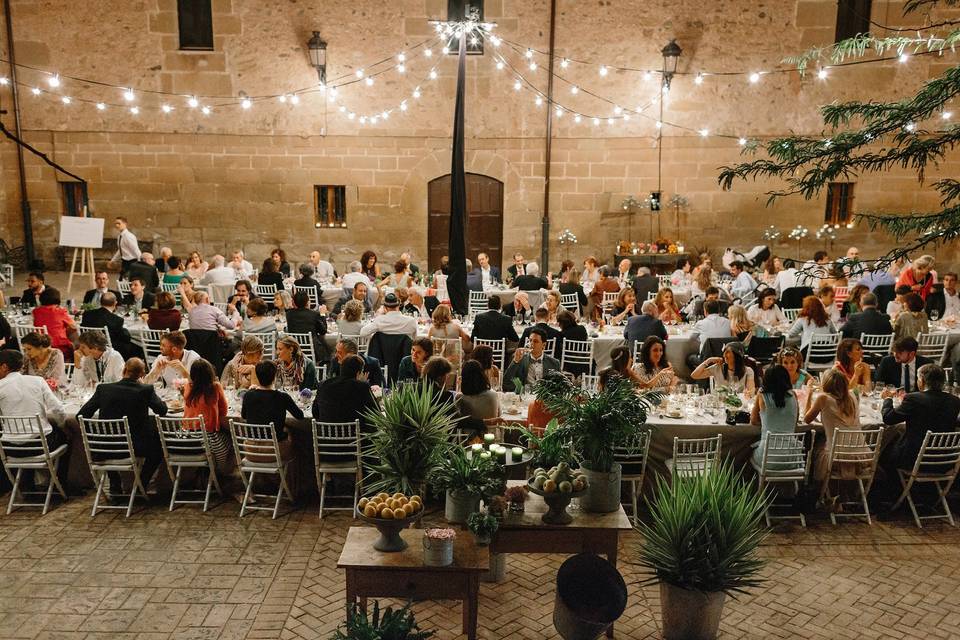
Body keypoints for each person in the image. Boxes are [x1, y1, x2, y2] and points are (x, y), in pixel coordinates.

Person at [77, 357, 167, 499]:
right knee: (160, 447)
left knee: (114, 443)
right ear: (142, 374)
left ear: (124, 370)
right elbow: (162, 410)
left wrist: (95, 435)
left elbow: (81, 416)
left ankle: (114, 482)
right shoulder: (145, 390)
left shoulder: (104, 389)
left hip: (103, 447)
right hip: (135, 446)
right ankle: (141, 484)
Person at [0, 349, 70, 492]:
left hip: (10, 449)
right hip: (39, 445)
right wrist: (62, 425)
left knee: (26, 435)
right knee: (66, 437)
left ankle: (27, 486)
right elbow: (58, 409)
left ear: (4, 367)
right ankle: (60, 484)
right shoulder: (37, 381)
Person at [881, 364, 960, 471]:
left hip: (913, 460)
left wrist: (888, 399)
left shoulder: (914, 398)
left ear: (921, 381)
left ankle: (890, 486)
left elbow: (888, 419)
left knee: (883, 448)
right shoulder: (954, 401)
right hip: (945, 461)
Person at [804, 368, 861, 489]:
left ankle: (815, 489)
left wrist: (809, 394)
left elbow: (806, 419)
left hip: (836, 456)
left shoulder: (823, 398)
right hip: (858, 454)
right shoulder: (852, 395)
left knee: (812, 444)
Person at [240, 361, 304, 461]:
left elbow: (244, 416)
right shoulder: (282, 397)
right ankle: (291, 475)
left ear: (257, 376)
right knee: (295, 436)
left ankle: (263, 476)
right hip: (275, 451)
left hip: (251, 451)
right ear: (274, 377)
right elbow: (300, 416)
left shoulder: (248, 395)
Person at [181, 358, 231, 467]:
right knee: (231, 438)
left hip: (185, 437)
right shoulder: (215, 387)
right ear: (210, 373)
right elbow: (224, 411)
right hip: (207, 439)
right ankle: (220, 471)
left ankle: (206, 470)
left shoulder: (188, 386)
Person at [749, 365, 800, 469]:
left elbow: (753, 420)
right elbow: (794, 422)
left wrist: (766, 424)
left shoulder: (762, 395)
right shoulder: (793, 395)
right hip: (791, 457)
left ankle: (752, 483)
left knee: (746, 451)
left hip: (767, 458)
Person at [313, 354, 379, 433]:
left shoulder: (323, 385)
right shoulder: (362, 386)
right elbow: (376, 411)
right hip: (355, 440)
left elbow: (315, 412)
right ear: (358, 373)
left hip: (326, 438)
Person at [81, 292, 135, 360]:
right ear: (115, 303)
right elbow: (124, 338)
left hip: (89, 346)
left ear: (100, 302)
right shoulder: (117, 319)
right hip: (106, 349)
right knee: (131, 346)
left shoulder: (87, 314)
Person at [691, 341, 756, 394]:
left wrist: (748, 393)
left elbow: (751, 392)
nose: (724, 355)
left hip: (738, 404)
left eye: (727, 352)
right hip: (719, 404)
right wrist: (708, 360)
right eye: (724, 351)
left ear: (737, 355)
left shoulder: (748, 371)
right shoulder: (718, 368)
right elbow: (694, 375)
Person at [32, 288, 76, 359]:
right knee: (76, 346)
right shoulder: (59, 311)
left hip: (40, 348)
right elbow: (73, 326)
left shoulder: (36, 312)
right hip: (59, 348)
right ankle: (70, 369)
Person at [456, 360, 500, 431]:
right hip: (492, 437)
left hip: (467, 439)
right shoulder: (493, 395)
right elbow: (499, 416)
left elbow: (457, 421)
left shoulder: (459, 398)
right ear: (482, 375)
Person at [285, 291, 328, 356]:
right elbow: (323, 331)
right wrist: (322, 314)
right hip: (312, 350)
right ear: (307, 302)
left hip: (294, 349)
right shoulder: (314, 314)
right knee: (327, 348)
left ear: (294, 302)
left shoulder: (289, 314)